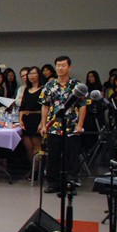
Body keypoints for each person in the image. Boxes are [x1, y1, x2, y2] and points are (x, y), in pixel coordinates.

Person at [38, 55, 90, 193]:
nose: (60, 68)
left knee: (71, 157)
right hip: (54, 126)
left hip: (71, 126)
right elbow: (45, 106)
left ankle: (71, 183)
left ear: (69, 67)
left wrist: (80, 124)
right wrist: (43, 124)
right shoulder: (49, 85)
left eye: (63, 65)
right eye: (58, 66)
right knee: (53, 156)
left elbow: (83, 105)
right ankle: (53, 183)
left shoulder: (77, 85)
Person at [19, 66, 44, 175]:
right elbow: (22, 107)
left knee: (36, 145)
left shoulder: (43, 89)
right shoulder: (26, 90)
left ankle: (36, 171)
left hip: (37, 118)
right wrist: (20, 119)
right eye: (30, 74)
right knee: (28, 146)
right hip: (26, 119)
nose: (31, 76)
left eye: (34, 73)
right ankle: (32, 167)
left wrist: (42, 123)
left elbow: (45, 107)